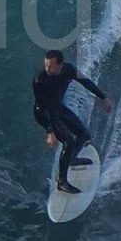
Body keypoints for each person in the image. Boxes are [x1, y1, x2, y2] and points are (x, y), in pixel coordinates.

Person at [32, 50, 112, 194]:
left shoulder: (69, 70)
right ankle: (61, 182)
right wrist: (50, 131)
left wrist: (103, 97)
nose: (47, 69)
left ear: (60, 65)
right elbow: (40, 107)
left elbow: (86, 82)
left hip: (58, 109)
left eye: (51, 66)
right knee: (69, 141)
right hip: (44, 114)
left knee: (84, 135)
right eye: (45, 66)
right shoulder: (40, 80)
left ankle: (72, 159)